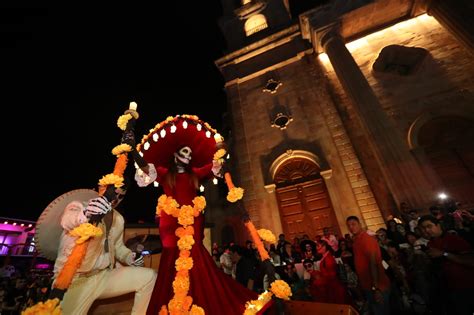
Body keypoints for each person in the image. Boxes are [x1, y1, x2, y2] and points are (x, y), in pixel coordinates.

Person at [133, 127, 268, 315]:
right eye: (184, 152)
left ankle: (201, 302)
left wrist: (222, 149)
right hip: (170, 223)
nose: (188, 156)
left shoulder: (195, 173)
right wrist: (131, 148)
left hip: (193, 220)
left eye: (190, 153)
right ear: (175, 155)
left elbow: (216, 164)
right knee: (172, 258)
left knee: (195, 256)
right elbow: (145, 166)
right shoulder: (164, 173)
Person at [52, 184, 157, 315]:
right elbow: (67, 221)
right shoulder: (80, 206)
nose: (116, 199)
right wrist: (87, 213)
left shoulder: (118, 219)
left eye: (121, 196)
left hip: (103, 276)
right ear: (102, 190)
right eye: (114, 193)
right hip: (75, 280)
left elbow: (118, 247)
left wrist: (130, 257)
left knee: (150, 277)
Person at [346, 216, 391, 315]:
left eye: (353, 224)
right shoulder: (356, 241)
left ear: (360, 224)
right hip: (368, 285)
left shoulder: (367, 240)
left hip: (377, 286)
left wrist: (376, 288)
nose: (351, 227)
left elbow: (373, 263)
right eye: (348, 225)